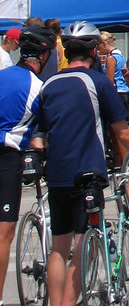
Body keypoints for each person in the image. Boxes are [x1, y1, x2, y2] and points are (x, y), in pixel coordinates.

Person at [38, 21, 129, 306]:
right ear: (94, 50)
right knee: (84, 245)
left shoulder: (50, 84)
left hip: (57, 173)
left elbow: (42, 133)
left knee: (59, 247)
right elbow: (121, 131)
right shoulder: (98, 82)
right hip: (88, 173)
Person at [0, 25, 55, 306]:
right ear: (44, 55)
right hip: (7, 158)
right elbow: (40, 135)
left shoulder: (2, 75)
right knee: (3, 234)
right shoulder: (38, 88)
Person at [100, 31, 129, 104]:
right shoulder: (120, 54)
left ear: (104, 43)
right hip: (123, 91)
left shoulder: (111, 58)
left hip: (116, 92)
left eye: (98, 46)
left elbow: (109, 80)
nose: (98, 49)